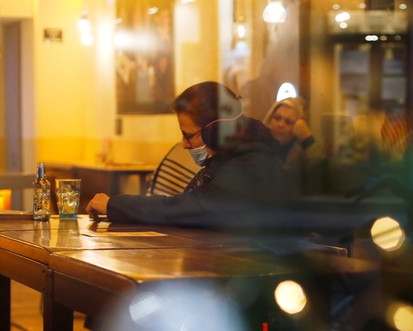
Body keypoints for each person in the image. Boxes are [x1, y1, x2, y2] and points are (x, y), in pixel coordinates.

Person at [86, 81, 286, 226]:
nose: (184, 145)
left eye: (188, 135)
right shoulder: (230, 158)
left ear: (213, 131)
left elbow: (183, 208)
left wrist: (114, 205)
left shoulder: (252, 165)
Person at [262, 97, 317, 169]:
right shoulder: (257, 148)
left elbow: (319, 173)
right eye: (277, 118)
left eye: (288, 122)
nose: (280, 125)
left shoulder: (300, 155)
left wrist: (307, 138)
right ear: (269, 120)